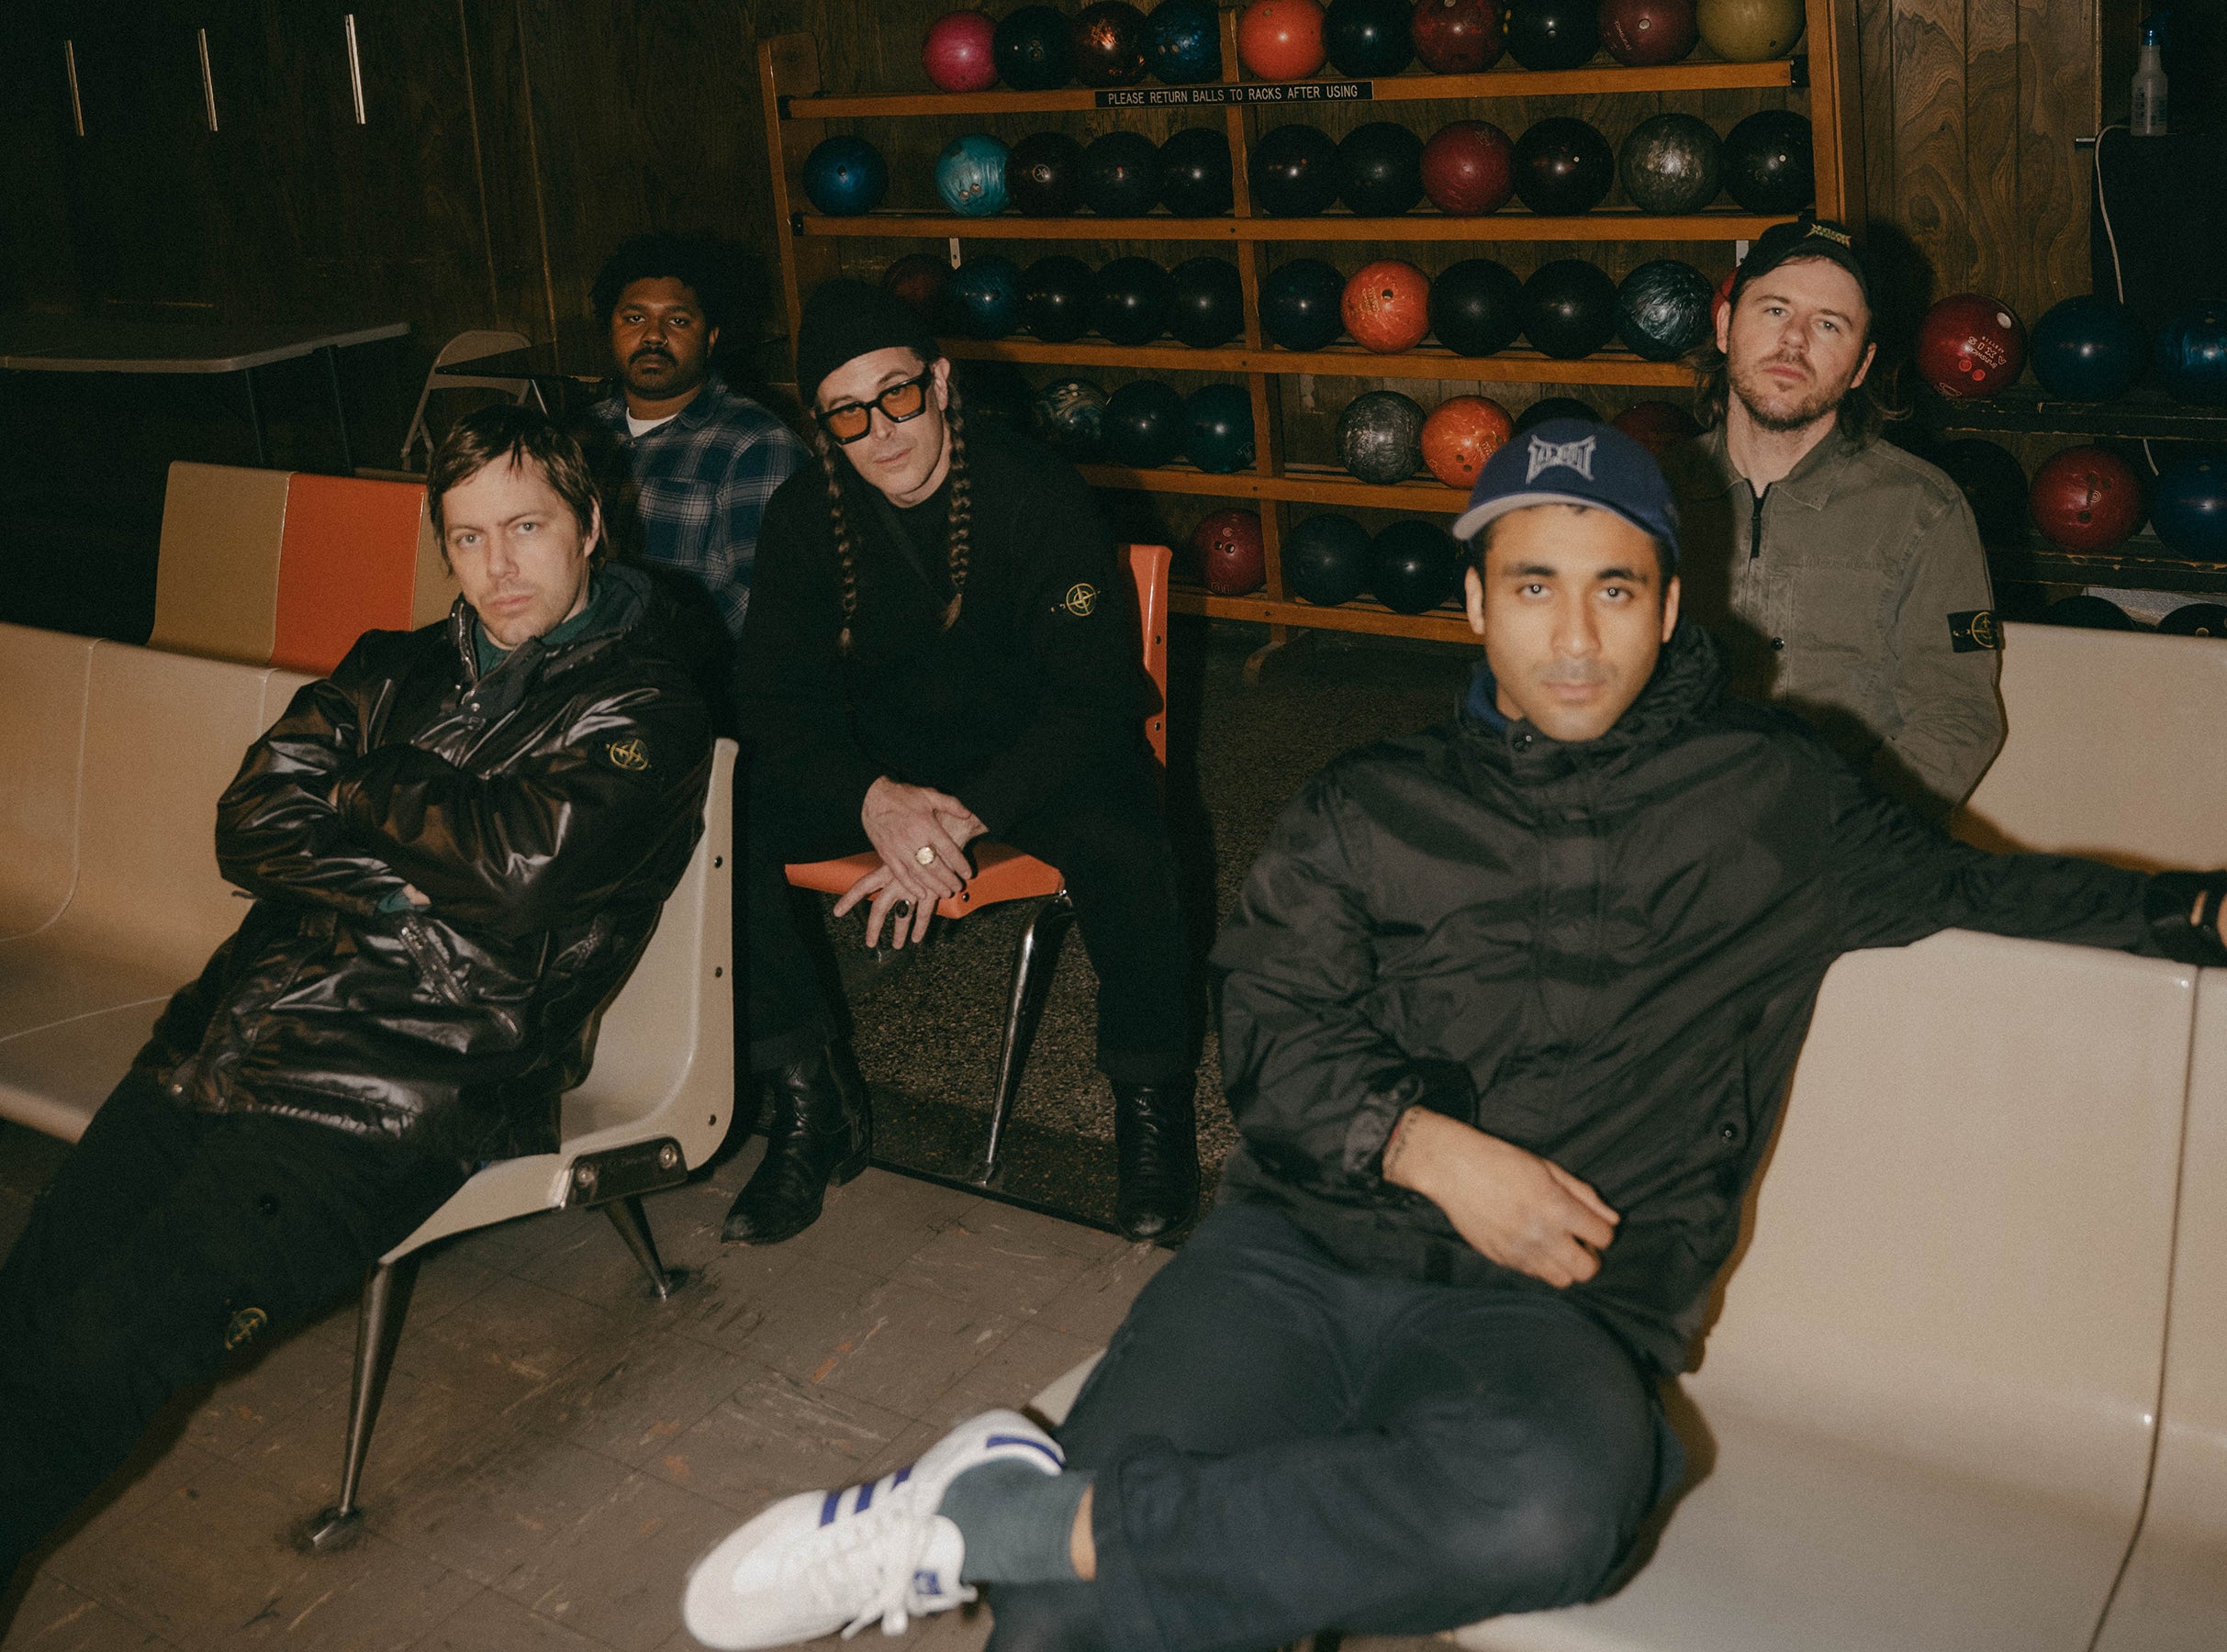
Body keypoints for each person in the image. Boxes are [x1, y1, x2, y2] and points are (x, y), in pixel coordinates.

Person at [675, 419, 2227, 1652]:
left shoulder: (1777, 803)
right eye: (1533, 587)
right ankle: (1042, 1543)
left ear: (1669, 606)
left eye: (1614, 588)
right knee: (1069, 1627)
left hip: (1554, 1315)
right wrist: (1421, 1147)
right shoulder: (1370, 807)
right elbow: (1267, 1030)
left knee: (1553, 1512)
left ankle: (1007, 1517)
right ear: (1476, 603)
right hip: (1300, 1253)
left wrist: (2196, 912)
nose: (1574, 636)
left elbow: (1993, 889)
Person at [0, 406, 712, 1588]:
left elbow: (517, 871)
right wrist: (401, 884)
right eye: (468, 537)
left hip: (396, 1091)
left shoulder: (645, 705)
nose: (498, 566)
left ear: (591, 526)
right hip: (218, 1042)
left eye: (526, 527)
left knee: (103, 1354)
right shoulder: (394, 662)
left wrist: (359, 781)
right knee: (28, 1305)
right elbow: (248, 822)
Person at [722, 278, 1197, 1248]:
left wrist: (960, 816)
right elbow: (772, 700)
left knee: (1130, 838)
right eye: (847, 414)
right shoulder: (803, 515)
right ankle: (812, 1102)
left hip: (1032, 754)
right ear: (824, 426)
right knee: (718, 823)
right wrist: (873, 801)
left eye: (896, 394)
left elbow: (1095, 697)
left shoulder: (1036, 491)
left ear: (938, 383)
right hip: (886, 766)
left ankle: (1153, 1108)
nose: (881, 431)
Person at [1662, 214, 2006, 817]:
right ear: (1724, 326)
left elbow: (1958, 718)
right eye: (1775, 310)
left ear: (1862, 366)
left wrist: (1841, 834)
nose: (1794, 340)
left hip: (1837, 839)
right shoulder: (1649, 493)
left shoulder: (1924, 509)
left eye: (1828, 324)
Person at [586, 231, 808, 646]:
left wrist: (620, 653)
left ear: (711, 337)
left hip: (677, 669)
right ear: (610, 330)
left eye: (678, 321)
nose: (653, 336)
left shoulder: (757, 444)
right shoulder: (580, 434)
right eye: (634, 319)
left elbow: (757, 601)